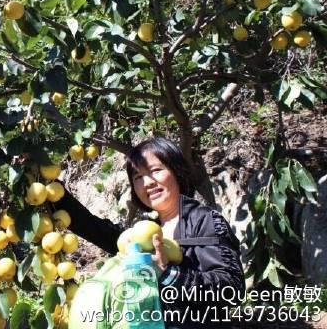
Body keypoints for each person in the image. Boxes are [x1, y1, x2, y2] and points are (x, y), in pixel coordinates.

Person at [55, 137, 245, 329]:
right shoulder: (142, 232)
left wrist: (169, 273)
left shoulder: (204, 220)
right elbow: (96, 229)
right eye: (138, 177)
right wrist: (51, 189)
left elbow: (232, 289)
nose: (147, 183)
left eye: (155, 171)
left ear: (177, 171)